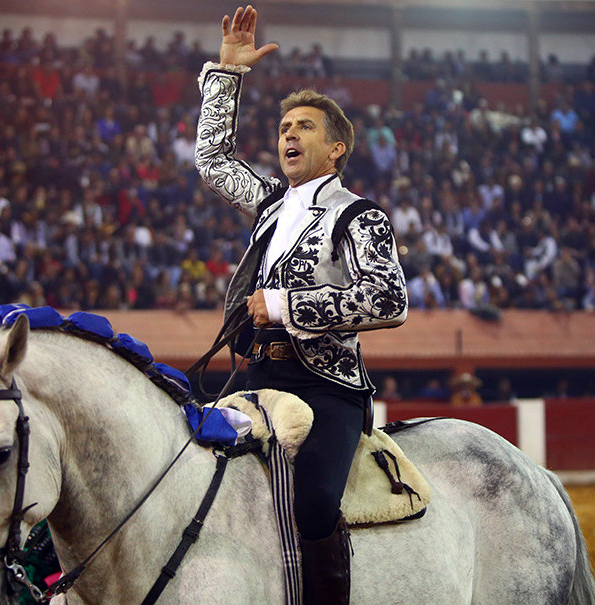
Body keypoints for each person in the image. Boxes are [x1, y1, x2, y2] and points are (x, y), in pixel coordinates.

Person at [195, 7, 408, 603]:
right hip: (258, 375)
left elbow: (389, 300)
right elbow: (212, 162)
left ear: (336, 148)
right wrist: (227, 75)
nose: (288, 134)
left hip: (327, 387)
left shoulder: (358, 215)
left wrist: (286, 304)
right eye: (285, 126)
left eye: (304, 127)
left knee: (313, 502)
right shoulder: (270, 202)